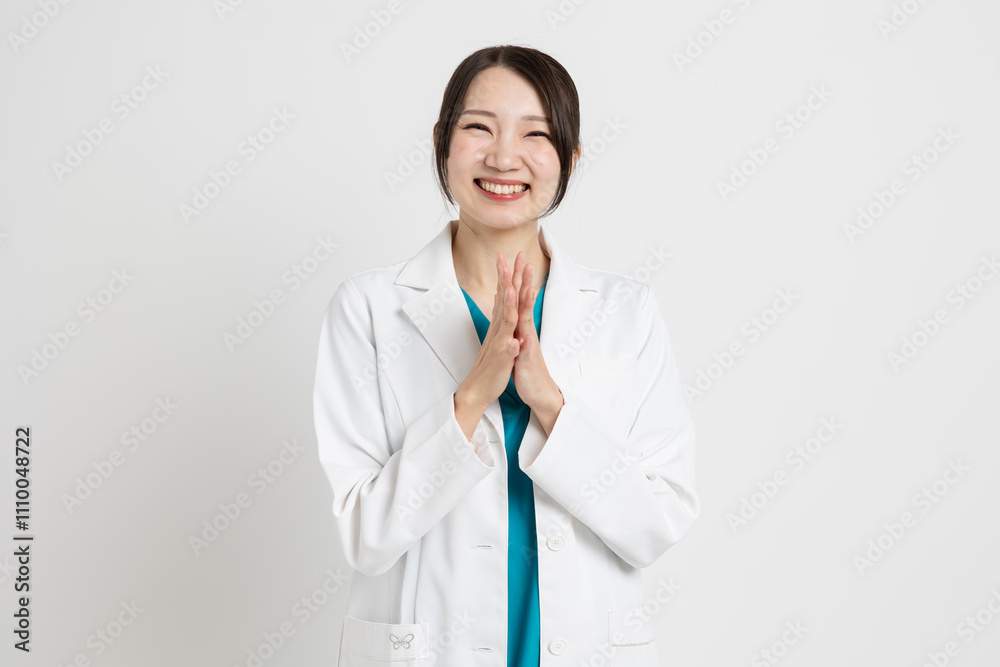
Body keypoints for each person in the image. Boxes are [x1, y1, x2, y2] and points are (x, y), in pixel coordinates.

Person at [312, 44, 698, 667]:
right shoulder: (368, 310)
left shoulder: (627, 312)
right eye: (479, 128)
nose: (503, 157)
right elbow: (366, 535)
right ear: (441, 142)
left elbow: (656, 524)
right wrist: (471, 398)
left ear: (570, 158)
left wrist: (548, 401)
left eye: (535, 134)